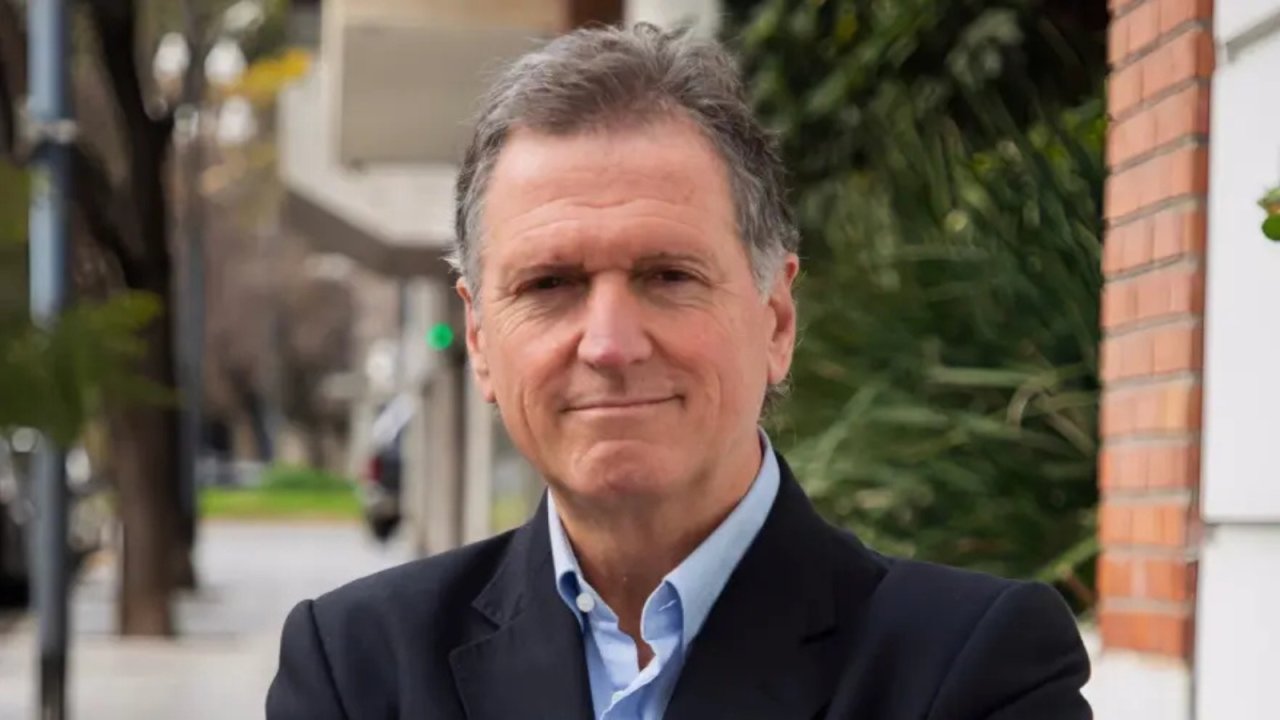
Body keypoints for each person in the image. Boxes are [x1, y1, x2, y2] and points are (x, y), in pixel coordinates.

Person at [266, 23, 1091, 720]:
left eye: (668, 276)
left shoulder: (974, 672)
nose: (609, 344)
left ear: (776, 321)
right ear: (480, 339)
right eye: (549, 285)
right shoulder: (356, 671)